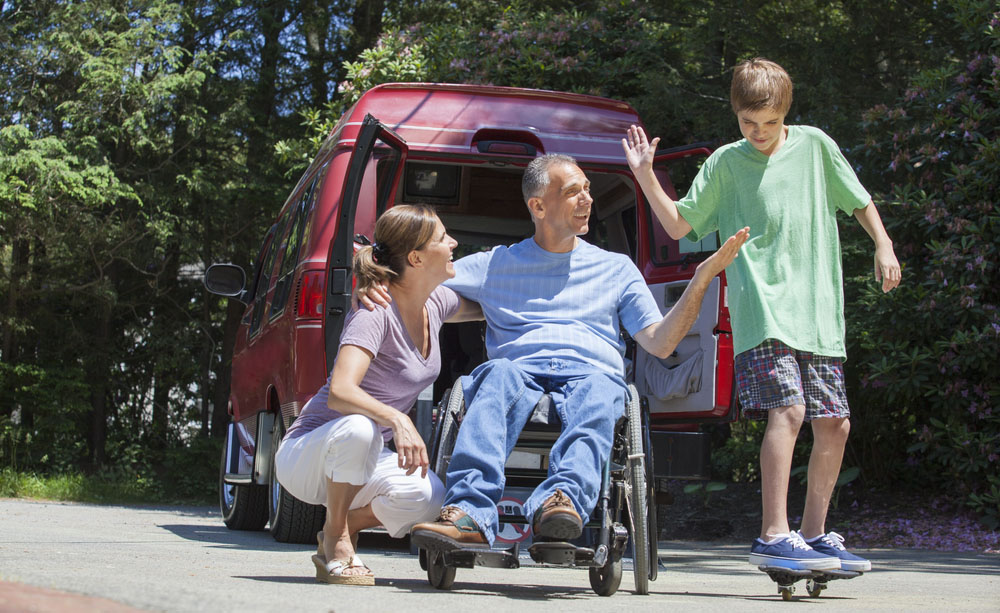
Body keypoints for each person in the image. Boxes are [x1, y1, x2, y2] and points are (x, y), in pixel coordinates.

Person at [623, 57, 901, 572]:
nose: (759, 133)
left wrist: (883, 244)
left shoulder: (815, 146)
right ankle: (774, 532)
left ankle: (814, 534)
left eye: (769, 123)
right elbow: (680, 226)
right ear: (736, 115)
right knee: (789, 411)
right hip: (763, 308)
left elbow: (859, 200)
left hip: (818, 311)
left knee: (835, 423)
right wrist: (644, 176)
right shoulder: (727, 164)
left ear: (785, 113)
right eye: (749, 123)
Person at [397, 154, 749, 551]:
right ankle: (468, 513)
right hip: (516, 369)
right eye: (572, 191)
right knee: (493, 376)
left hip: (590, 372)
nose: (587, 199)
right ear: (538, 206)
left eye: (587, 189)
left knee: (604, 389)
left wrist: (700, 282)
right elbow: (420, 288)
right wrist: (377, 276)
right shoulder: (494, 264)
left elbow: (661, 342)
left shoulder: (616, 268)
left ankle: (561, 500)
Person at [274, 204, 481, 584]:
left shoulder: (436, 304)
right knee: (360, 427)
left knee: (428, 497)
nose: (452, 243)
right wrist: (397, 418)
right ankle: (337, 540)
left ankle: (344, 524)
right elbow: (340, 391)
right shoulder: (374, 311)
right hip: (308, 455)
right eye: (442, 238)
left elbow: (488, 309)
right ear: (416, 257)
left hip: (361, 460)